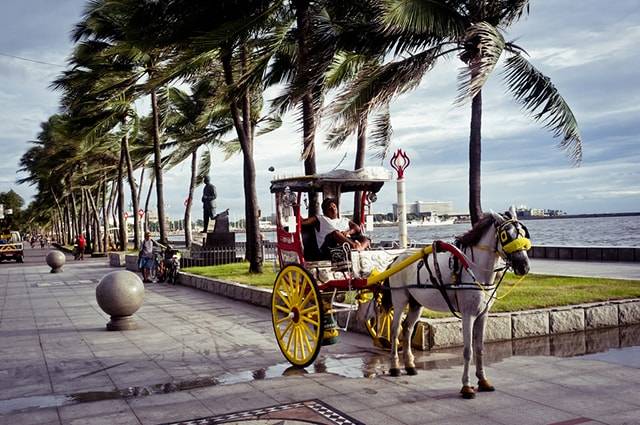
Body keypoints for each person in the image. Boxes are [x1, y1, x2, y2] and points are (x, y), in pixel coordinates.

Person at [302, 197, 370, 257]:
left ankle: (360, 249)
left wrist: (347, 232)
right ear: (324, 211)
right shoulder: (320, 219)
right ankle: (355, 247)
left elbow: (357, 228)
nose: (333, 208)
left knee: (365, 239)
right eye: (329, 207)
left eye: (334, 206)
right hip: (328, 247)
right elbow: (303, 222)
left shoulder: (344, 220)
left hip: (346, 242)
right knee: (335, 233)